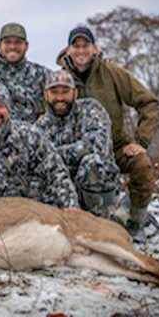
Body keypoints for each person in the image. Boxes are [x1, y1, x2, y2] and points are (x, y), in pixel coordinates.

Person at [57, 26, 159, 241]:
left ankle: (135, 223)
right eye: (76, 46)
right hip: (79, 151)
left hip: (115, 147)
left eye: (86, 45)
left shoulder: (112, 72)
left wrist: (140, 141)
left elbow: (148, 103)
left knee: (142, 165)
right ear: (68, 50)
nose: (81, 50)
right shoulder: (59, 79)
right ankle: (88, 224)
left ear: (95, 48)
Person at [36, 70, 121, 218]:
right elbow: (35, 160)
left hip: (91, 185)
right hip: (60, 187)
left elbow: (94, 147)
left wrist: (51, 154)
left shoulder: (91, 109)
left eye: (65, 92)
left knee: (93, 163)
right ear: (46, 95)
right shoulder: (40, 125)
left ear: (75, 94)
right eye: (54, 92)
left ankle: (102, 218)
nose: (60, 97)